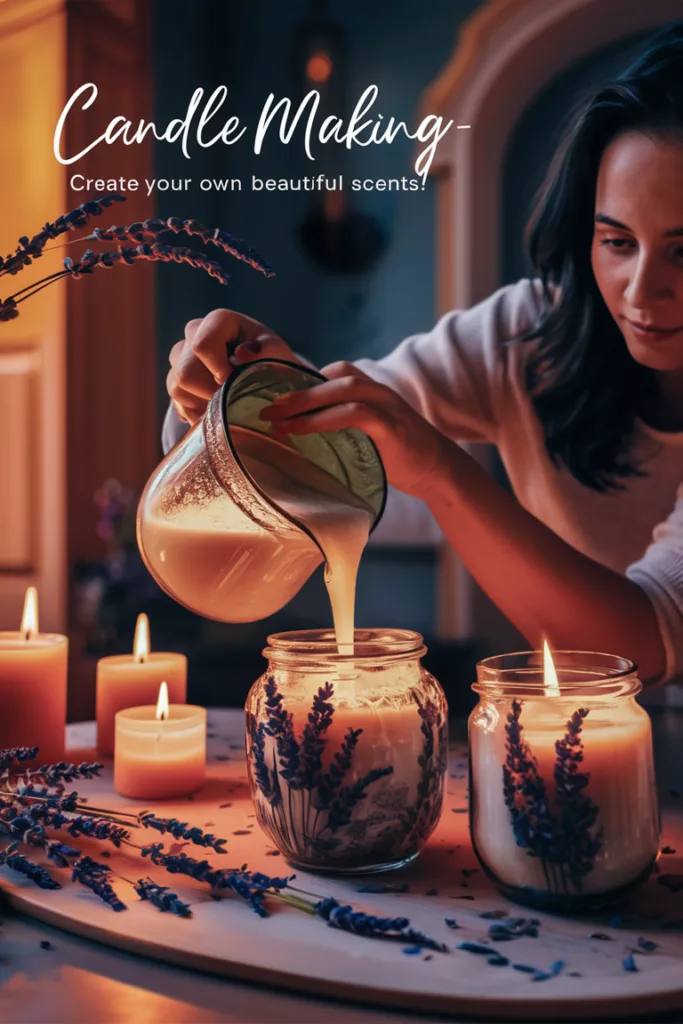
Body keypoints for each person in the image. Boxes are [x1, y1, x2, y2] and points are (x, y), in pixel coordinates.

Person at [162, 23, 683, 689]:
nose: (641, 292)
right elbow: (339, 417)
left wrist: (441, 471)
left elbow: (644, 642)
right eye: (616, 242)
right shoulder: (529, 333)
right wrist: (238, 387)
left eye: (681, 250)